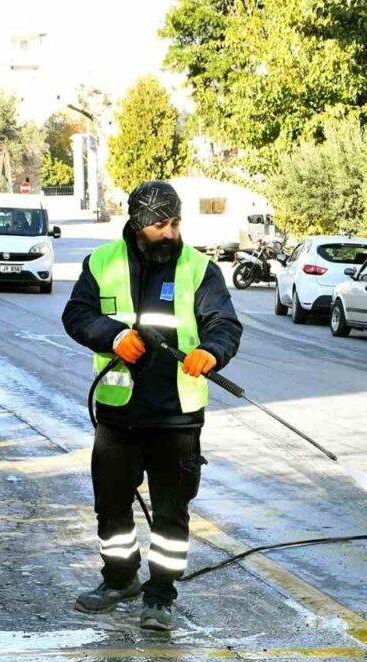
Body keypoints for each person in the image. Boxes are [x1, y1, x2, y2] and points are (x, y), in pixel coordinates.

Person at [62, 181, 243, 631]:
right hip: (118, 414)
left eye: (176, 223)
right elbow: (77, 315)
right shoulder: (101, 263)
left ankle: (160, 596)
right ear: (139, 224)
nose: (170, 233)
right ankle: (120, 579)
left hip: (176, 416)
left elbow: (224, 323)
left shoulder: (198, 269)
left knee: (170, 511)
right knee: (111, 506)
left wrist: (212, 351)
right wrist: (113, 337)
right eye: (161, 224)